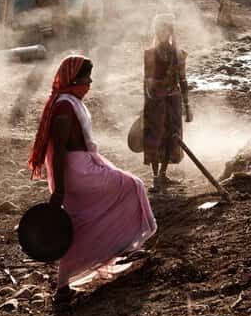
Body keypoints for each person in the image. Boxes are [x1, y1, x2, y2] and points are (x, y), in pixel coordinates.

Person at [27, 55, 156, 303]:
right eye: (86, 77)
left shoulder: (69, 102)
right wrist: (59, 191)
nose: (90, 82)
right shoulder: (64, 108)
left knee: (82, 222)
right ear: (74, 79)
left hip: (82, 166)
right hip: (79, 172)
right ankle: (123, 248)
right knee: (131, 186)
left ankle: (64, 285)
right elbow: (59, 154)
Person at [143, 14, 192, 192]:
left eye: (166, 29)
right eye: (160, 29)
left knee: (172, 137)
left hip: (173, 101)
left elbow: (183, 80)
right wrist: (157, 94)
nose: (163, 33)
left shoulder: (179, 54)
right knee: (155, 137)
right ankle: (155, 177)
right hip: (156, 102)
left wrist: (187, 105)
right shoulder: (149, 54)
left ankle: (163, 174)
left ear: (171, 32)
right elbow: (148, 83)